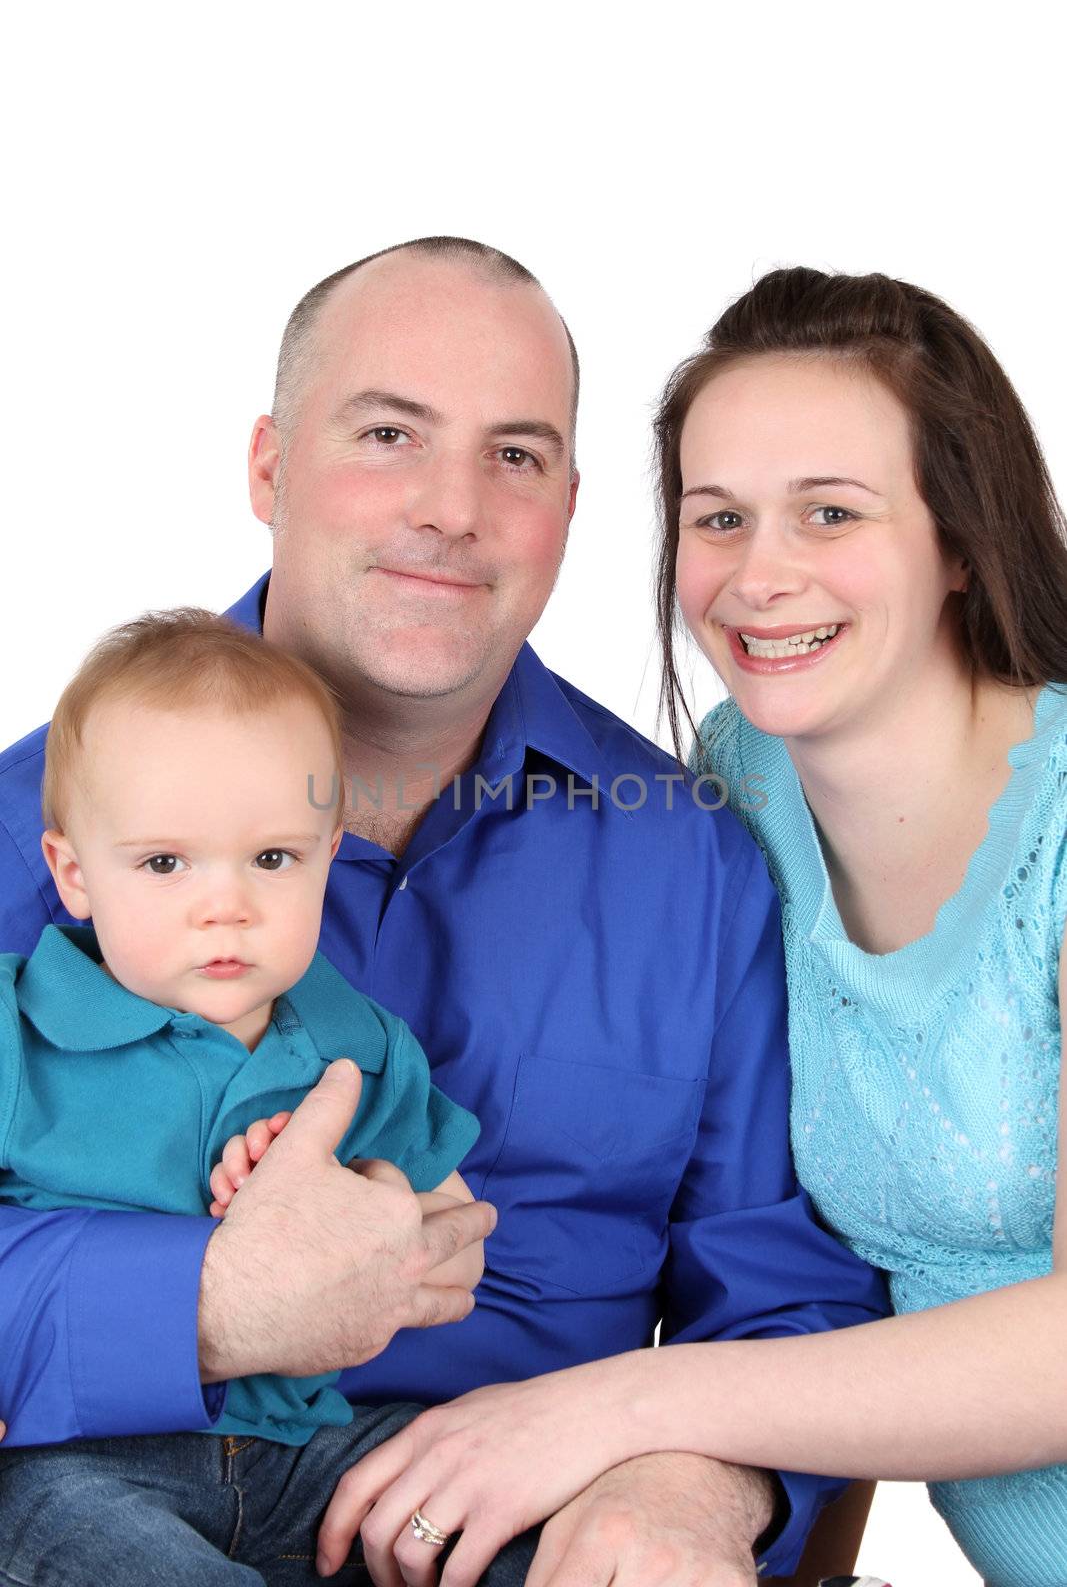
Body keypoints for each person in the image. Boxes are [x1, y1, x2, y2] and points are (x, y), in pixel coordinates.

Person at [0, 238, 888, 1585]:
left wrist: (695, 1481)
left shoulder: (691, 864)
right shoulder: (31, 830)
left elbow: (785, 1292)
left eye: (514, 457)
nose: (450, 508)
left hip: (509, 1540)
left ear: (570, 508)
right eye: (387, 434)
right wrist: (202, 1306)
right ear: (267, 466)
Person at [320, 268, 1066, 1587]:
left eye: (827, 513)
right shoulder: (739, 789)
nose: (759, 577)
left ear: (957, 539)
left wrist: (629, 1419)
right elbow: (823, 1282)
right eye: (717, 519)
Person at [0, 607, 506, 1583]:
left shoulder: (355, 1045)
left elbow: (448, 1227)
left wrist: (365, 1194)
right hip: (82, 1457)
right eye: (163, 862)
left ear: (327, 853)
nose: (224, 903)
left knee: (506, 1520)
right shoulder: (18, 1034)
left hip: (306, 1451)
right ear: (73, 874)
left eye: (272, 859)